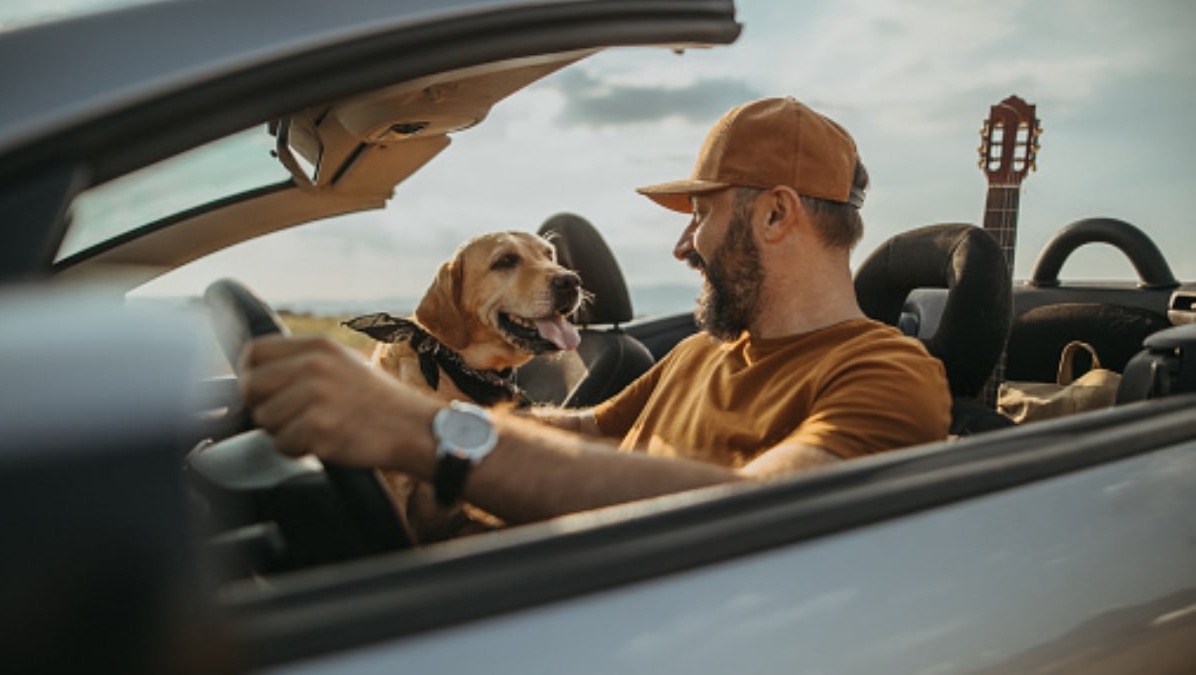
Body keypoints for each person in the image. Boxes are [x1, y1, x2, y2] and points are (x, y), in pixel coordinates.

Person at [241, 97, 951, 526]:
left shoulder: (887, 372)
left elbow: (750, 512)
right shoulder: (704, 350)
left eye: (701, 214)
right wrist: (429, 393)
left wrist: (426, 432)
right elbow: (586, 429)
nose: (683, 244)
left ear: (773, 214)